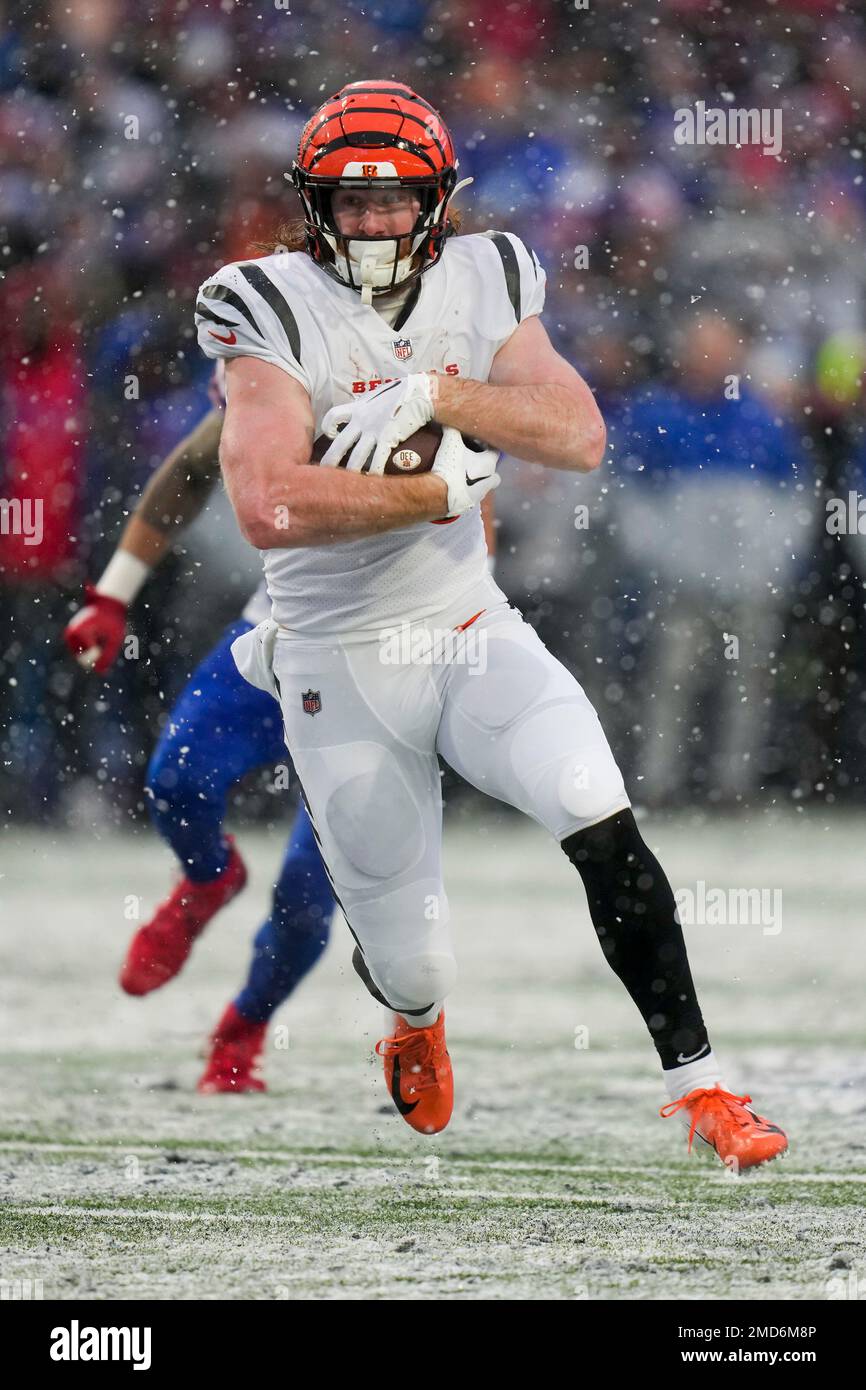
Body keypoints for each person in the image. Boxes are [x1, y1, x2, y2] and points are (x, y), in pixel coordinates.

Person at [196, 79, 788, 1169]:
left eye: (394, 200)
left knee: (592, 807)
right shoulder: (262, 303)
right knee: (416, 964)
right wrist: (433, 491)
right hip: (335, 655)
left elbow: (577, 432)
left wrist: (437, 396)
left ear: (438, 200)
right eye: (350, 201)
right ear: (312, 203)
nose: (373, 224)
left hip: (465, 620)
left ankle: (702, 1088)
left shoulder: (486, 271)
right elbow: (267, 504)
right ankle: (412, 1017)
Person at [63, 367, 335, 1093]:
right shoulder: (293, 343)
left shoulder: (448, 358)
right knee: (178, 775)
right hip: (281, 624)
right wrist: (113, 593)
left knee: (310, 895)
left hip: (392, 653)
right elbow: (193, 465)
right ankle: (209, 877)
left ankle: (243, 1027)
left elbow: (479, 527)